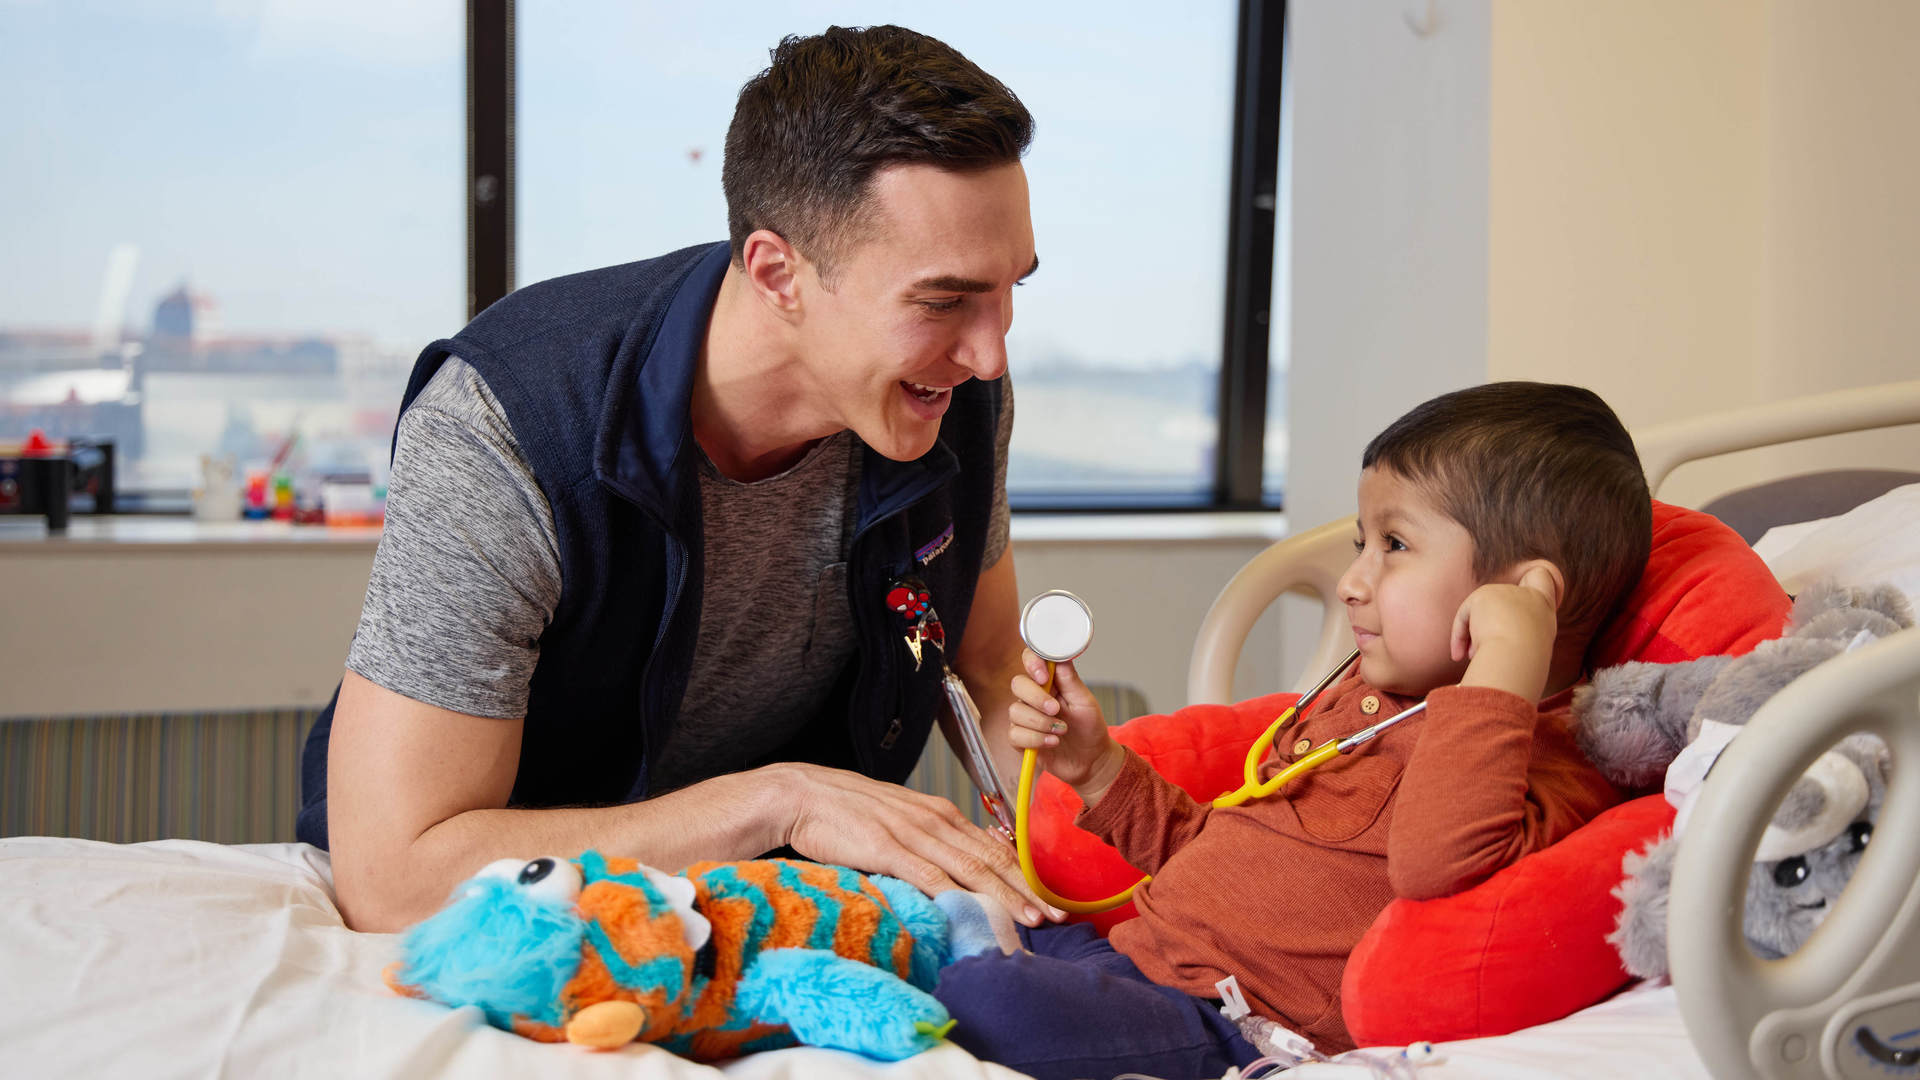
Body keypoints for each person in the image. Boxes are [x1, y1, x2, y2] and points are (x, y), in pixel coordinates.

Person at [300, 25, 1059, 935]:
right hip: (530, 929)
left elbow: (986, 663)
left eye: (1009, 288)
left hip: (781, 914)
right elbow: (394, 877)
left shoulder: (954, 392)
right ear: (777, 272)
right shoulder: (507, 424)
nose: (989, 353)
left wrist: (1101, 802)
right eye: (943, 301)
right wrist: (781, 804)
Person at [934, 382, 1648, 1080]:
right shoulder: (1362, 704)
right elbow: (1210, 855)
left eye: (1394, 545)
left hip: (1214, 1022)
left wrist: (1502, 668)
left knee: (985, 998)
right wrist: (1095, 768)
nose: (1351, 581)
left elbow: (1439, 865)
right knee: (925, 916)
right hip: (1124, 956)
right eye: (1362, 543)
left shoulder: (1540, 765)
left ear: (1524, 599)